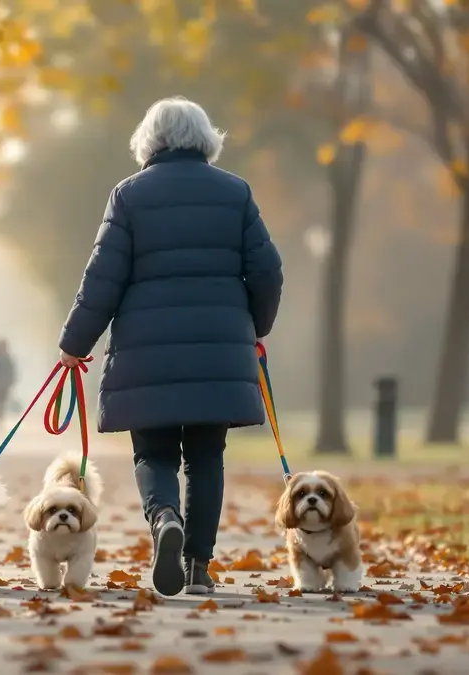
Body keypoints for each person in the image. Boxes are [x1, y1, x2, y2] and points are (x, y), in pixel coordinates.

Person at [54, 97, 283, 597]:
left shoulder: (129, 196)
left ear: (148, 140)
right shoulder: (235, 193)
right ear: (206, 139)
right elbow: (268, 271)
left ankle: (163, 519)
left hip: (145, 350)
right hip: (220, 350)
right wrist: (256, 327)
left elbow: (102, 280)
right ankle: (198, 565)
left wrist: (75, 343)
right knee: (206, 456)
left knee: (153, 453)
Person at [0, 339, 17, 426]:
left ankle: (0, 417)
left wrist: (11, 381)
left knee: (2, 402)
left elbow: (11, 371)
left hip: (5, 384)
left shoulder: (7, 357)